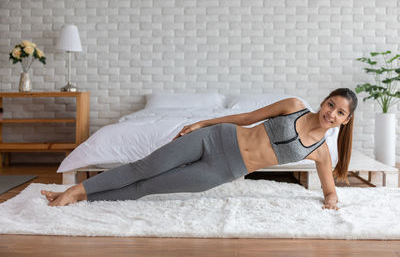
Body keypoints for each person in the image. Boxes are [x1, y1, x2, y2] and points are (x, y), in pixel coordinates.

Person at [41, 88, 358, 210]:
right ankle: (76, 190)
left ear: (345, 121)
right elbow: (247, 117)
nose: (331, 112)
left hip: (222, 171)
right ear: (324, 100)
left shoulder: (321, 152)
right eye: (331, 104)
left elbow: (330, 190)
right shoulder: (293, 106)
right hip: (217, 137)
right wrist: (203, 124)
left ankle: (82, 196)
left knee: (147, 187)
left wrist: (331, 200)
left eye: (340, 112)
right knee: (144, 167)